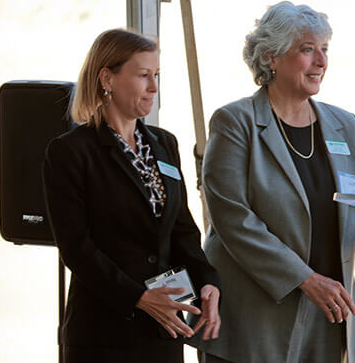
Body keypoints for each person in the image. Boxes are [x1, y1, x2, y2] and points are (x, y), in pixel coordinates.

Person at [185, 1, 355, 363]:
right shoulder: (235, 122)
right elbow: (233, 220)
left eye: (324, 49)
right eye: (307, 49)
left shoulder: (343, 125)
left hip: (328, 317)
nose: (321, 61)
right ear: (271, 57)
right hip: (254, 325)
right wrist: (304, 278)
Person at [42, 29, 221, 363]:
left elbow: (182, 229)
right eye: (143, 76)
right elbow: (76, 249)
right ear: (107, 78)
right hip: (103, 335)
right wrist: (139, 297)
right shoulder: (71, 152)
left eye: (157, 76)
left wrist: (208, 282)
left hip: (163, 331)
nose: (154, 87)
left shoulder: (165, 144)